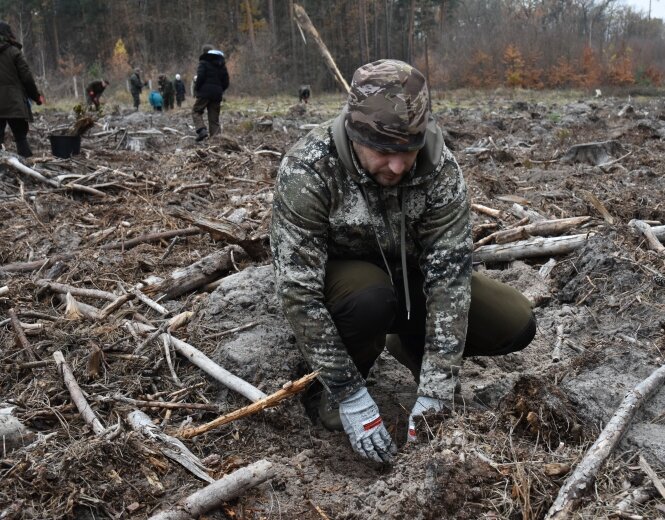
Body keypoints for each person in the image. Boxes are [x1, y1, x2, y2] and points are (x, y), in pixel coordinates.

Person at [271, 60, 536, 463]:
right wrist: (351, 396)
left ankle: (411, 346)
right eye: (383, 151)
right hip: (351, 290)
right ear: (354, 133)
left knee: (515, 322)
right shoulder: (309, 169)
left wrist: (436, 390)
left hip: (414, 282)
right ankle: (332, 388)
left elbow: (450, 282)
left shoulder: (439, 168)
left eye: (407, 149)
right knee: (371, 298)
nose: (398, 166)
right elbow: (299, 293)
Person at [0, 21, 43, 158]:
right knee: (20, 137)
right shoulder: (14, 52)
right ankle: (28, 169)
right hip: (14, 102)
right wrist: (36, 97)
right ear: (8, 34)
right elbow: (27, 78)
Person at [192, 44, 229, 142]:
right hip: (217, 94)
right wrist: (220, 90)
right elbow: (226, 81)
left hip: (204, 93)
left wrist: (197, 89)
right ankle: (217, 141)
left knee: (196, 111)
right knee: (214, 118)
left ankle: (201, 130)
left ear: (204, 52)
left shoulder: (203, 62)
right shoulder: (221, 64)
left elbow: (200, 78)